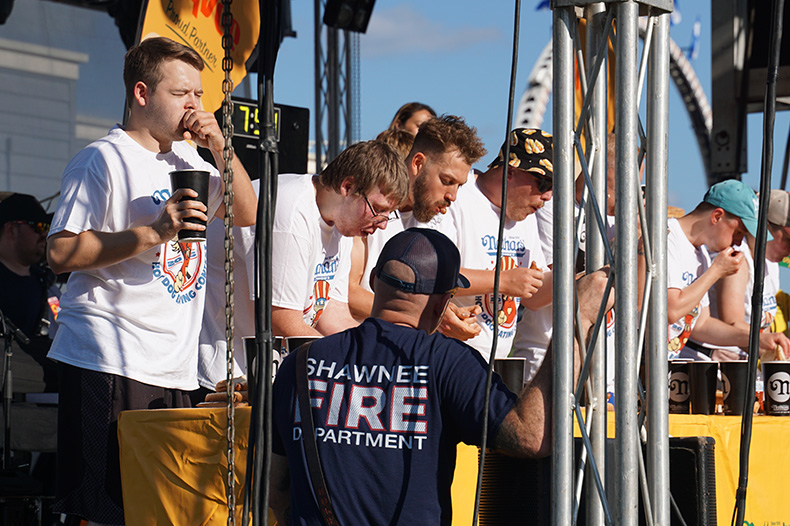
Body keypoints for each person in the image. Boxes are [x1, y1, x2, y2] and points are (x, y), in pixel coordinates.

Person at [45, 37, 257, 525]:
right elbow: (59, 252)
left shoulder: (189, 160)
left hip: (174, 365)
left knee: (159, 508)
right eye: (182, 94)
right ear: (142, 94)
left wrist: (222, 147)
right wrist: (153, 232)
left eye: (199, 95)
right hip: (109, 355)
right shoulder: (102, 158)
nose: (195, 106)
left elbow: (246, 211)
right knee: (105, 509)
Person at [270, 228, 611, 525]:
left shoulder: (300, 364)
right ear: (441, 304)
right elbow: (531, 435)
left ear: (374, 281)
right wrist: (576, 319)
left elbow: (274, 488)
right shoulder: (447, 362)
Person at [348, 115, 487, 340]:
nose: (452, 196)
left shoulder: (430, 218)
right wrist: (432, 317)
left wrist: (446, 313)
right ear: (418, 164)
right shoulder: (369, 205)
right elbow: (349, 294)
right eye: (447, 181)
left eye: (459, 186)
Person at [430, 128, 553, 359]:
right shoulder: (459, 196)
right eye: (544, 184)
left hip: (497, 364)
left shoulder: (525, 216)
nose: (547, 196)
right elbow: (431, 275)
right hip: (448, 358)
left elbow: (534, 299)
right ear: (509, 173)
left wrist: (579, 277)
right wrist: (504, 281)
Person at [271, 140, 409, 338]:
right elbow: (283, 322)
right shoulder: (293, 212)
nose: (383, 224)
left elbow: (333, 313)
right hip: (229, 361)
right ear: (348, 186)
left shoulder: (342, 221)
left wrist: (377, 350)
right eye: (378, 209)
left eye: (388, 213)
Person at [666, 179, 790, 360]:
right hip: (652, 368)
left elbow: (702, 326)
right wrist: (716, 271)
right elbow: (671, 312)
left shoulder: (702, 254)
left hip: (674, 367)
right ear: (717, 216)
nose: (739, 241)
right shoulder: (668, 237)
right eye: (739, 232)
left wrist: (758, 338)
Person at [712, 189, 790, 356]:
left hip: (748, 359)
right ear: (766, 228)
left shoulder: (771, 263)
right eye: (788, 240)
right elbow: (733, 323)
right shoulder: (738, 259)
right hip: (724, 361)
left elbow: (765, 322)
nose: (789, 250)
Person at [0, 193, 60, 392]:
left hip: (38, 396)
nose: (45, 234)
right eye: (38, 226)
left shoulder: (46, 282)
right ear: (11, 229)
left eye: (48, 227)